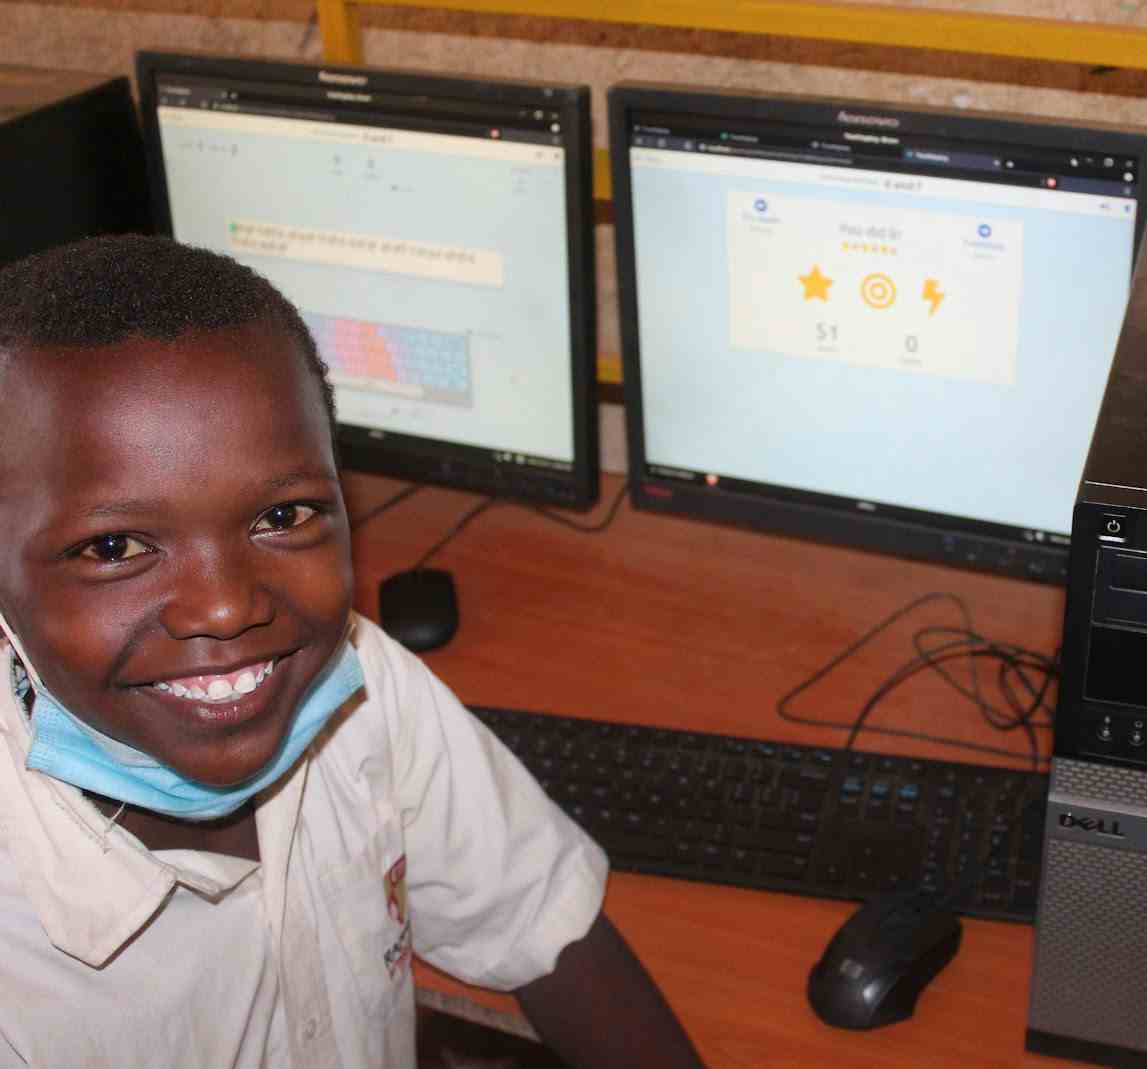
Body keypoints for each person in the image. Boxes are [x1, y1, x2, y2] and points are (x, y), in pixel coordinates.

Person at [0, 235, 707, 1068]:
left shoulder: (359, 687)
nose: (228, 606)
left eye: (284, 516)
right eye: (115, 546)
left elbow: (545, 922)